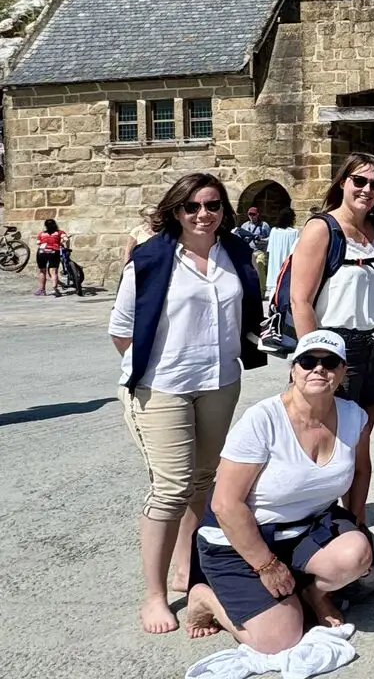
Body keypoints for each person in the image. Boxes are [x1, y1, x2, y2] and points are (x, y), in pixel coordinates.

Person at [109, 172, 267, 635]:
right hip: (163, 387)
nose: (203, 214)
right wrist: (161, 366)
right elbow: (121, 330)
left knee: (203, 481)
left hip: (220, 381)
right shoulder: (152, 258)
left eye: (213, 205)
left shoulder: (234, 252)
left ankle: (186, 569)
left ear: (224, 210)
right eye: (192, 206)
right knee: (171, 486)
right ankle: (155, 596)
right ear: (176, 211)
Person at [184, 330, 372, 647]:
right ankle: (204, 598)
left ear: (343, 371)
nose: (318, 369)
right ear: (293, 369)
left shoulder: (354, 416)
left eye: (330, 362)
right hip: (243, 540)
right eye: (308, 361)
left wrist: (355, 526)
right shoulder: (262, 420)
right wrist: (267, 566)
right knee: (278, 641)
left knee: (357, 556)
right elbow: (225, 504)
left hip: (307, 529)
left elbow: (362, 471)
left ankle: (314, 592)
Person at [289, 151, 374, 541]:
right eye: (359, 181)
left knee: (360, 441)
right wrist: (315, 360)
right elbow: (300, 300)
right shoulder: (322, 229)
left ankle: (354, 530)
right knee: (326, 441)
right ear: (342, 182)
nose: (367, 190)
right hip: (335, 346)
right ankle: (320, 532)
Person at [265, 210, 299, 298]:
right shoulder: (294, 232)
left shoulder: (274, 231)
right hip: (287, 264)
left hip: (275, 263)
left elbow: (269, 249)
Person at [35, 217, 63, 296]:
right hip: (54, 251)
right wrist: (61, 243)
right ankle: (55, 289)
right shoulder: (60, 232)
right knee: (53, 271)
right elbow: (65, 239)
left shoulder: (41, 234)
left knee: (42, 271)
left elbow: (38, 243)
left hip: (41, 252)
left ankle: (42, 290)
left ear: (46, 226)